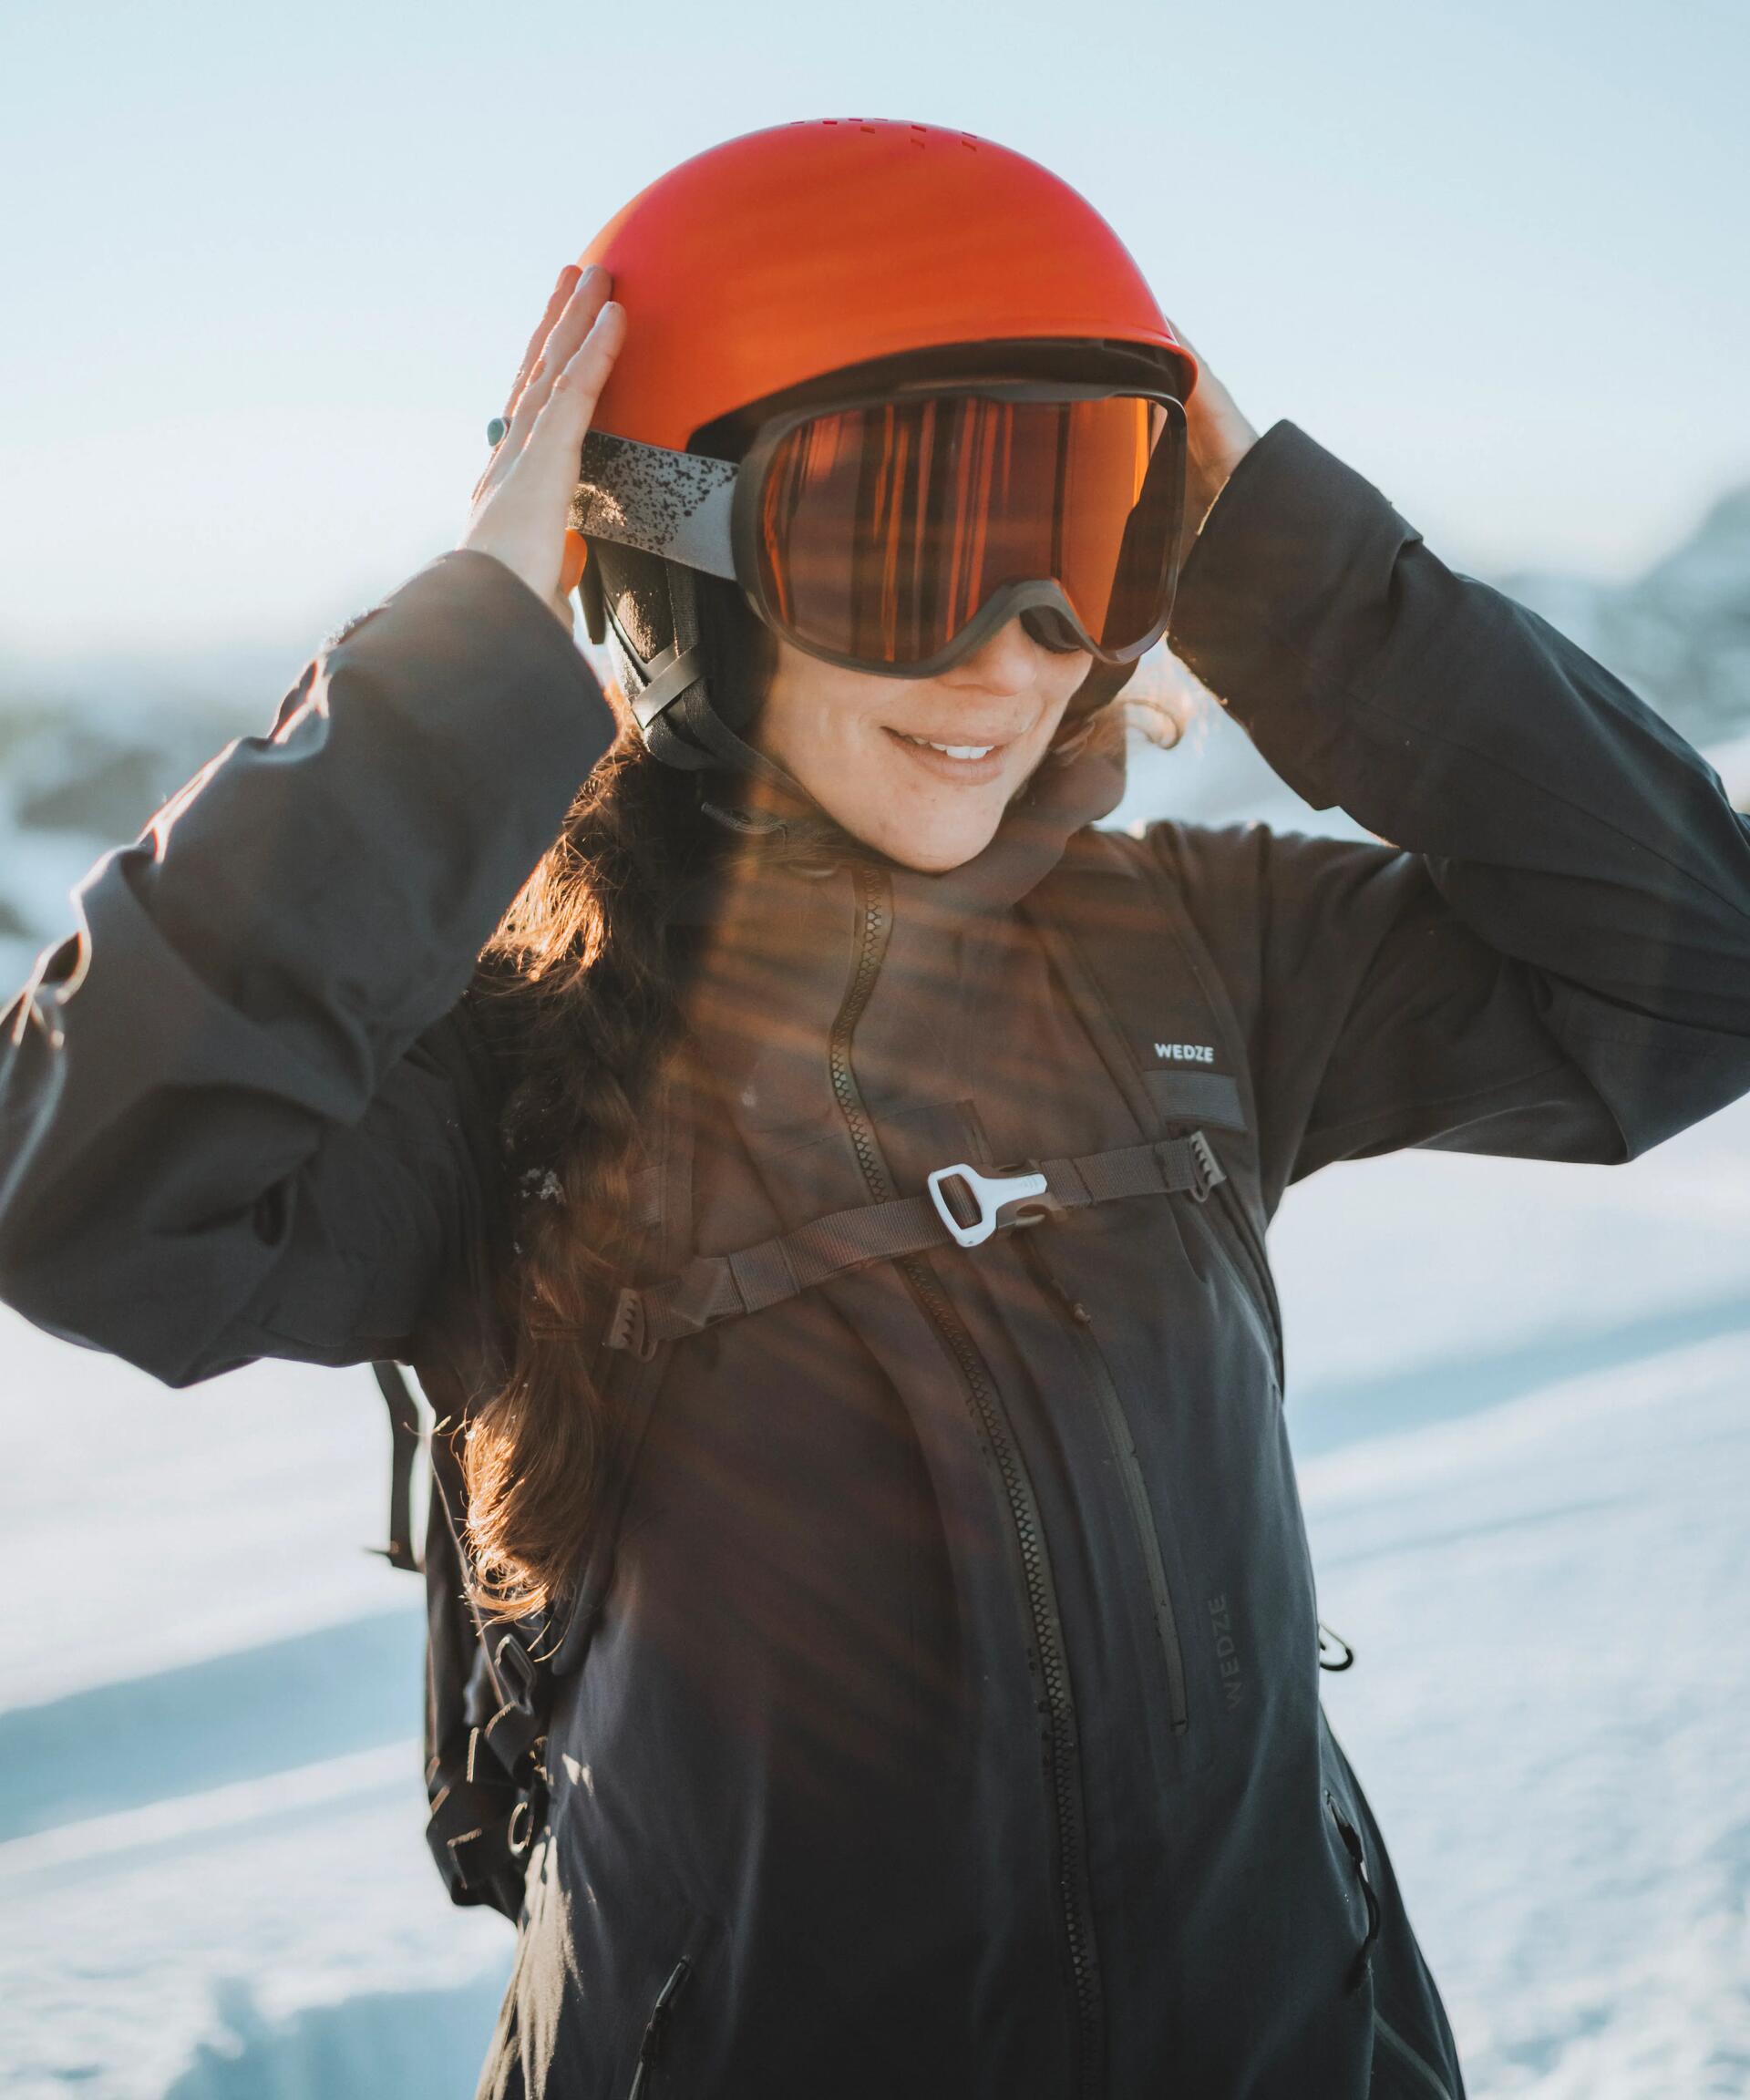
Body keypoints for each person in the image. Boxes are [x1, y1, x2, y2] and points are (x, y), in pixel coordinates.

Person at [3, 117, 1748, 2100]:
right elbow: (90, 1195)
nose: (1016, 648)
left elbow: (1689, 981)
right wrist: (477, 634)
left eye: (1085, 541)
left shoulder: (1198, 959)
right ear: (676, 545)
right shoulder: (500, 1072)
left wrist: (1269, 552)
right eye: (909, 541)